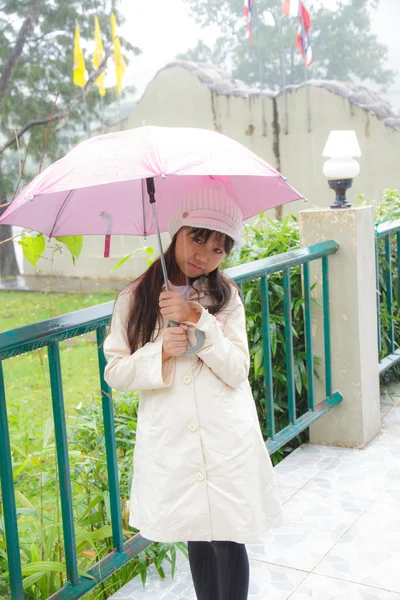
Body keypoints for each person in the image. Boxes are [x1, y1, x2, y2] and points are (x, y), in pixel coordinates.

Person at [103, 180, 283, 600]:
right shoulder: (134, 299)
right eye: (197, 238)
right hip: (175, 440)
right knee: (198, 536)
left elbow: (238, 369)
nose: (205, 254)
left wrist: (200, 321)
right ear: (176, 232)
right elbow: (117, 373)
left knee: (229, 535)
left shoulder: (226, 297)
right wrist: (159, 352)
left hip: (225, 437)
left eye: (219, 247)